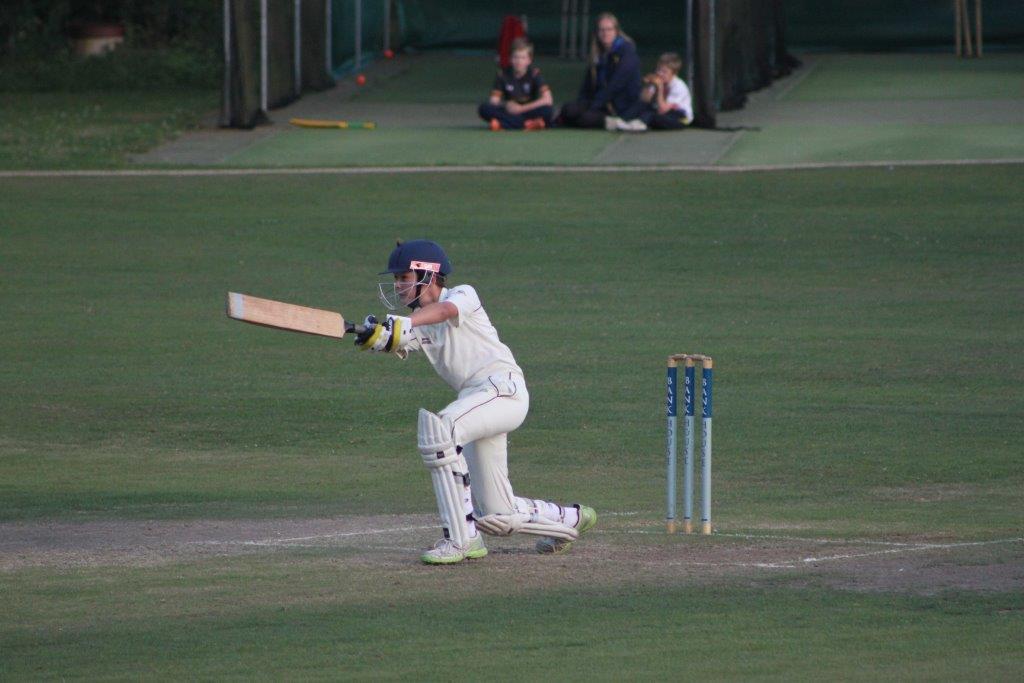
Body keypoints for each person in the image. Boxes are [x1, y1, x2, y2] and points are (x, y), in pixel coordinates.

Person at [355, 240, 597, 565]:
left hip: (503, 390)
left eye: (404, 276)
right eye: (397, 278)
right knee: (497, 512)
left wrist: (404, 323)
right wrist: (374, 335)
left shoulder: (462, 295)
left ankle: (462, 539)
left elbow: (443, 313)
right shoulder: (417, 323)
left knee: (441, 430)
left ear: (429, 275)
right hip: (478, 402)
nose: (398, 285)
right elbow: (396, 337)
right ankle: (569, 518)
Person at [558, 12, 643, 130]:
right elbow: (587, 85)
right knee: (568, 110)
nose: (605, 33)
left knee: (586, 118)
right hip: (599, 101)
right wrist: (581, 104)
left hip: (620, 105)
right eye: (601, 30)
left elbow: (616, 85)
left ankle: (615, 122)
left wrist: (594, 106)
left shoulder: (627, 52)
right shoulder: (597, 53)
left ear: (616, 31)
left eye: (609, 29)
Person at [477, 38, 554, 131]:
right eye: (515, 57)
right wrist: (506, 104)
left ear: (529, 60)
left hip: (528, 110)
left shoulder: (534, 74)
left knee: (547, 110)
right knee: (484, 109)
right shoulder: (502, 75)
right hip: (510, 111)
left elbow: (548, 99)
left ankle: (503, 124)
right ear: (510, 59)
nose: (519, 61)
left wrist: (521, 108)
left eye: (523, 58)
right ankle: (527, 124)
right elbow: (494, 101)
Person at [617, 52, 693, 132]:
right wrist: (648, 85)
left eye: (664, 72)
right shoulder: (657, 81)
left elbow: (662, 109)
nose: (659, 74)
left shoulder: (678, 86)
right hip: (663, 113)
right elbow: (644, 99)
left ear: (674, 73)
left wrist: (660, 88)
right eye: (658, 70)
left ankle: (639, 124)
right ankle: (621, 120)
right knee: (643, 106)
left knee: (653, 115)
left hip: (680, 118)